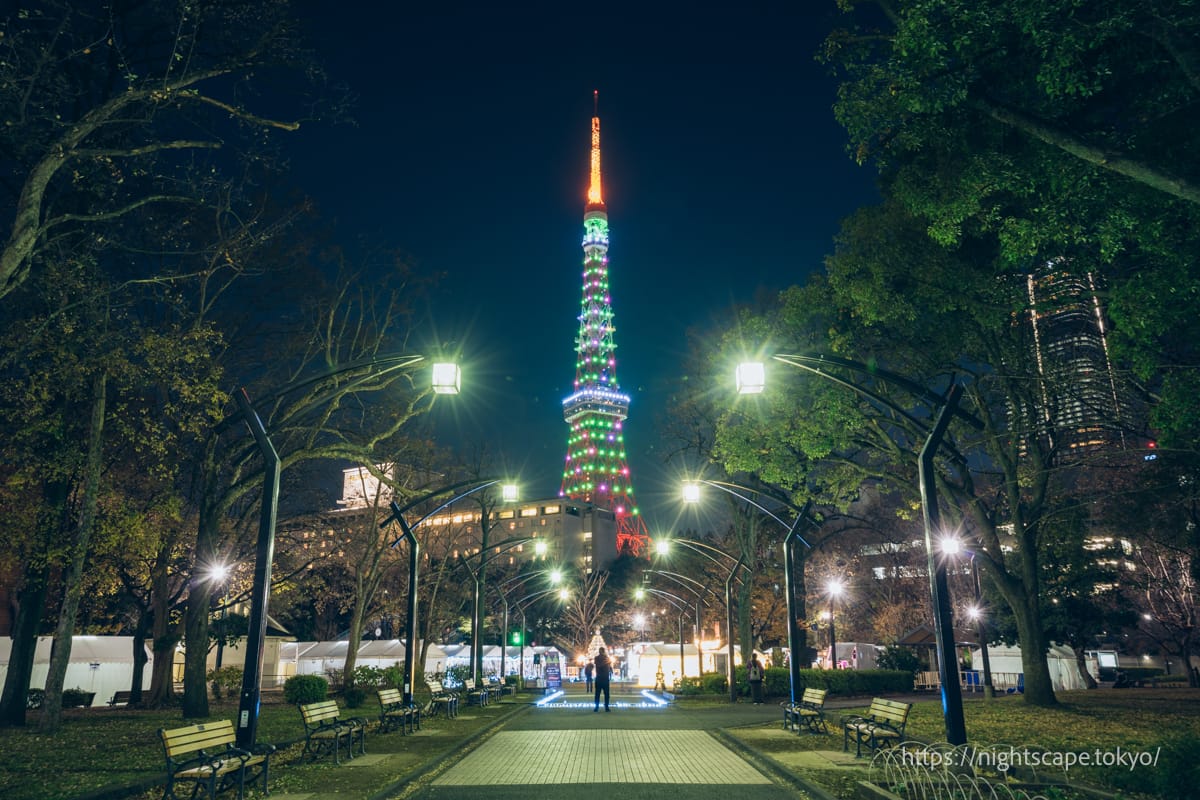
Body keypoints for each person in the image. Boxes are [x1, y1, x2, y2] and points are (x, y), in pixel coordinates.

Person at [593, 647, 612, 712]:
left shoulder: (596, 658)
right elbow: (609, 668)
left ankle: (596, 707)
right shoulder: (607, 659)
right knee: (606, 694)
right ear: (604, 651)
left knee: (597, 694)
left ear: (599, 651)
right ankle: (606, 707)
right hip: (605, 679)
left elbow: (598, 665)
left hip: (599, 678)